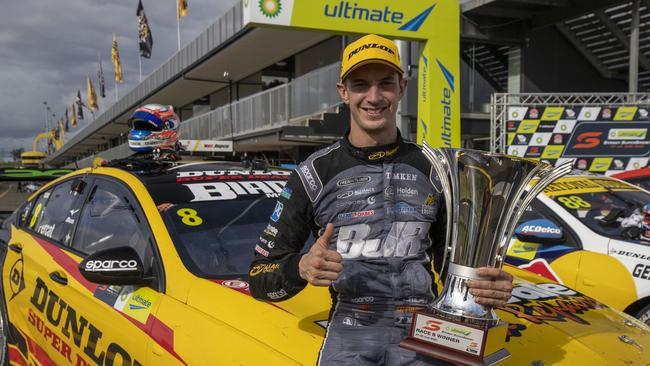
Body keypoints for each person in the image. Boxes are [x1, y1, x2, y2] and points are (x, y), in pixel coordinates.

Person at [248, 34, 513, 366]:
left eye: (385, 83)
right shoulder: (313, 173)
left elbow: (455, 270)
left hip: (425, 328)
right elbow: (259, 278)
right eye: (360, 84)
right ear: (343, 92)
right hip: (351, 327)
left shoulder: (436, 169)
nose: (374, 97)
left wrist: (488, 288)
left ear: (402, 87)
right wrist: (301, 267)